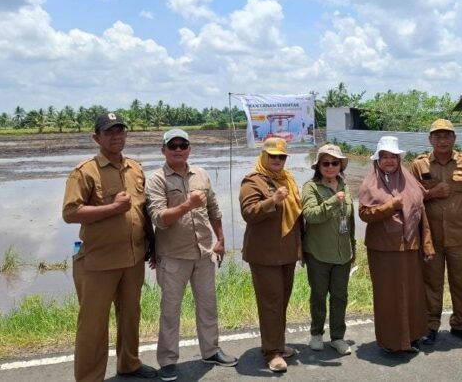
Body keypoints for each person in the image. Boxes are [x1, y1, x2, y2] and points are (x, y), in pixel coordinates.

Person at [61, 112, 157, 381]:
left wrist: (152, 243)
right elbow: (70, 213)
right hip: (97, 262)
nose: (116, 136)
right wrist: (112, 208)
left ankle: (129, 364)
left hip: (133, 258)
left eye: (120, 131)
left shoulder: (135, 168)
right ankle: (90, 377)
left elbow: (142, 210)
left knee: (130, 316)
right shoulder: (85, 172)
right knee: (93, 326)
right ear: (96, 138)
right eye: (109, 132)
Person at [146, 129, 238, 381]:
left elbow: (213, 209)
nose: (178, 149)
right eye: (172, 145)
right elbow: (159, 219)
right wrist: (187, 204)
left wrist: (220, 239)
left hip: (204, 253)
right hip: (173, 256)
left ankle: (210, 350)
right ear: (163, 150)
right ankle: (167, 360)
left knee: (208, 306)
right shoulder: (157, 179)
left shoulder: (202, 174)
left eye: (182, 145)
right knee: (170, 310)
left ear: (189, 149)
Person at [358, 136, 435, 353]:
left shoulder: (409, 180)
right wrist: (390, 206)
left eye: (394, 157)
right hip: (383, 250)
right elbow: (364, 214)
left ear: (399, 159)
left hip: (410, 247)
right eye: (385, 157)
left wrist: (427, 244)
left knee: (412, 294)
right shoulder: (369, 183)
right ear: (377, 159)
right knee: (388, 296)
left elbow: (422, 213)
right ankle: (392, 343)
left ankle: (412, 337)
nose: (390, 161)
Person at [409, 119, 462, 346]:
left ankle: (461, 325)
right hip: (432, 238)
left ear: (454, 139)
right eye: (437, 136)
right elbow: (410, 199)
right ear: (430, 139)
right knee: (431, 282)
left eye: (447, 136)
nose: (442, 140)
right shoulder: (418, 165)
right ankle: (430, 326)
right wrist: (432, 194)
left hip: (461, 237)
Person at [239, 137, 302, 373]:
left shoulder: (289, 179)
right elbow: (249, 213)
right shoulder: (252, 181)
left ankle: (278, 344)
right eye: (273, 156)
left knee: (281, 301)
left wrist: (300, 248)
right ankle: (272, 352)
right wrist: (272, 201)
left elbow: (296, 218)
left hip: (286, 253)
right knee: (271, 303)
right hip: (264, 255)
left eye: (281, 156)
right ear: (264, 156)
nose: (277, 160)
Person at [302, 144, 355, 355]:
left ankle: (338, 338)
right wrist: (332, 201)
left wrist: (353, 247)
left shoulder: (345, 185)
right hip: (319, 253)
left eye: (335, 163)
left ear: (341, 165)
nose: (331, 167)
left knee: (340, 296)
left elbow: (350, 220)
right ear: (319, 166)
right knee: (318, 295)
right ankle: (316, 334)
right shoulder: (311, 187)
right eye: (326, 163)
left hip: (343, 253)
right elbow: (310, 215)